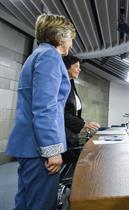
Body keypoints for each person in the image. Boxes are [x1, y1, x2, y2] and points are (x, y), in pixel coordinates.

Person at [5, 14, 76, 210]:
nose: (71, 43)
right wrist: (52, 150)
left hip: (30, 144)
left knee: (25, 202)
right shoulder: (49, 57)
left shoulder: (38, 54)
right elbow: (45, 108)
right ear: (61, 36)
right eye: (70, 37)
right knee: (41, 204)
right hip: (39, 148)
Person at [62, 55, 100, 163]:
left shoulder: (71, 84)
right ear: (67, 67)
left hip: (71, 135)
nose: (79, 69)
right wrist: (84, 124)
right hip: (63, 136)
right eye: (76, 66)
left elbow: (72, 113)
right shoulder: (61, 85)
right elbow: (62, 114)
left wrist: (84, 124)